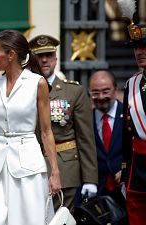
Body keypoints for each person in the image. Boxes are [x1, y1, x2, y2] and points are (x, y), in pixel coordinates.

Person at [0, 30, 61, 225]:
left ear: (11, 54)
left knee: (30, 220)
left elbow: (46, 131)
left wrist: (55, 172)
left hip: (28, 165)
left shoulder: (36, 83)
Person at [29, 34, 98, 211]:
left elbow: (85, 138)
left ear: (56, 58)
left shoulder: (73, 91)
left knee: (61, 219)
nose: (44, 60)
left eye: (49, 55)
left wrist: (90, 178)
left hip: (65, 166)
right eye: (39, 56)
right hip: (31, 165)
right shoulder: (24, 89)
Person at [88, 70, 128, 219]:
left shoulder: (130, 115)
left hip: (125, 192)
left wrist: (127, 170)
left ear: (115, 89)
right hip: (96, 195)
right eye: (95, 93)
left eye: (106, 91)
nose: (101, 97)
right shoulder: (85, 120)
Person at [121, 22, 146, 225]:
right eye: (137, 47)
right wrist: (126, 169)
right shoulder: (132, 84)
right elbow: (125, 134)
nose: (140, 52)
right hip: (138, 167)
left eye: (145, 47)